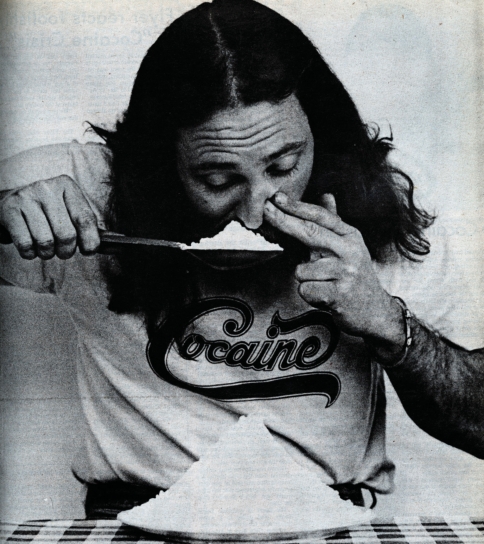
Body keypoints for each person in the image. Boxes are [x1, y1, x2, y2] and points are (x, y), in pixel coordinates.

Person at [0, 0, 483, 518]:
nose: (256, 213)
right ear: (160, 164)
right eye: (218, 180)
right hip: (136, 516)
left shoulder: (377, 202)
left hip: (328, 520)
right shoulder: (88, 192)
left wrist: (387, 320)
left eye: (284, 165)